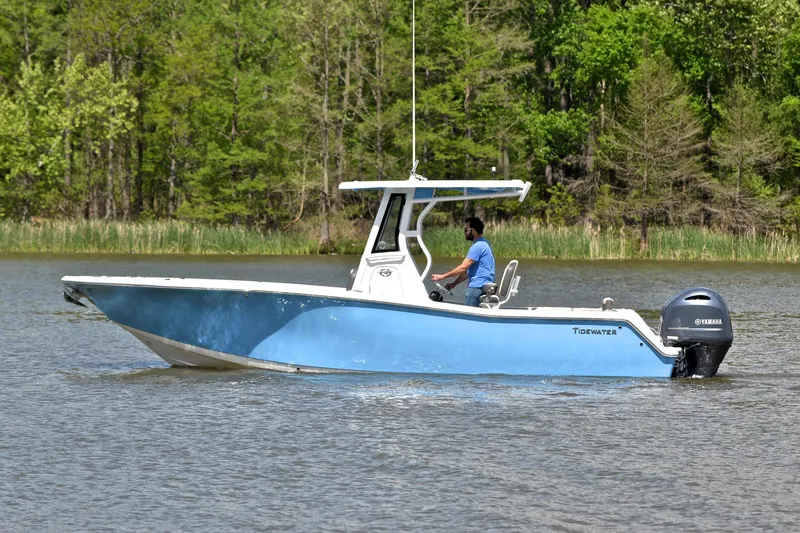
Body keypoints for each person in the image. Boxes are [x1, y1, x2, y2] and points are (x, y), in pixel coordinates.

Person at [431, 216, 495, 307]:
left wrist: (442, 276)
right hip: (482, 285)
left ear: (474, 231)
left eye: (466, 230)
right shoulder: (484, 243)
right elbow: (466, 272)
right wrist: (454, 284)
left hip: (477, 287)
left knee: (470, 316)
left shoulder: (477, 246)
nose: (464, 232)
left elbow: (463, 267)